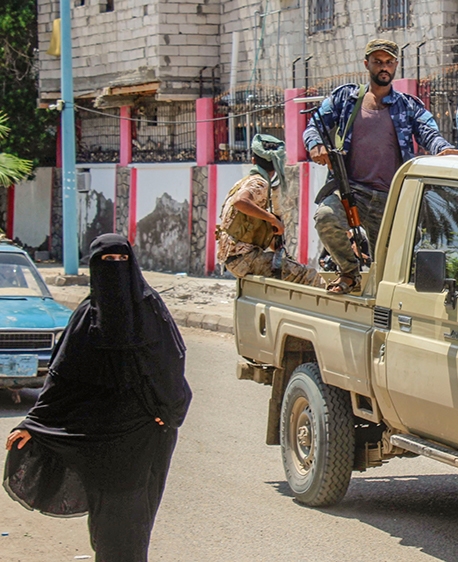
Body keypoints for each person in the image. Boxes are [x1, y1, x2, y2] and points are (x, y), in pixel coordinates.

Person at [4, 233, 192, 561]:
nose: (115, 268)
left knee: (133, 522)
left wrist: (169, 410)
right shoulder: (86, 318)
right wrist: (33, 423)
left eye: (122, 260)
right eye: (107, 262)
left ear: (132, 264)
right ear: (94, 267)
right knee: (106, 525)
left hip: (143, 437)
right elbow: (63, 379)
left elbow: (171, 365)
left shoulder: (151, 309)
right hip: (99, 439)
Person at [304, 38, 458, 294]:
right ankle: (349, 273)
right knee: (325, 217)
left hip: (389, 200)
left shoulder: (407, 106)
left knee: (387, 267)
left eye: (388, 62)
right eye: (378, 62)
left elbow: (428, 131)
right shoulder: (346, 99)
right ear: (367, 64)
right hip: (350, 192)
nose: (383, 67)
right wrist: (315, 144)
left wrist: (442, 148)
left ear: (396, 65)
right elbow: (315, 123)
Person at [217, 134, 325, 288]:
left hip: (238, 257)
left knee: (288, 270)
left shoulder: (244, 182)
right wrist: (272, 220)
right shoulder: (258, 183)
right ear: (277, 165)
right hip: (244, 258)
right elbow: (240, 201)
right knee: (308, 276)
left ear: (253, 160)